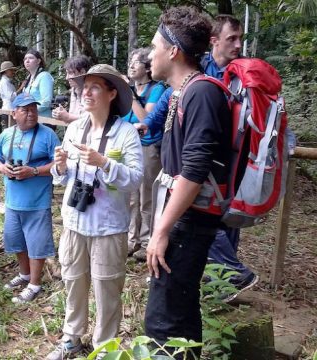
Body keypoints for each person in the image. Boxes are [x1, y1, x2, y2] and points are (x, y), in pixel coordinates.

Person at [144, 7, 232, 357]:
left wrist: (161, 231)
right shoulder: (184, 92)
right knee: (178, 309)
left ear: (173, 50)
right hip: (182, 218)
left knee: (164, 322)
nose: (150, 54)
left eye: (154, 46)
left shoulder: (201, 94)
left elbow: (195, 169)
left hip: (188, 222)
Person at [46, 64, 143, 360]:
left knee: (107, 289)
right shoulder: (75, 128)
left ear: (112, 94)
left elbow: (137, 177)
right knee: (73, 280)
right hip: (75, 220)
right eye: (83, 86)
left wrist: (104, 163)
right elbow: (60, 175)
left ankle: (105, 348)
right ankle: (72, 338)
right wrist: (59, 166)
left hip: (108, 225)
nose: (85, 92)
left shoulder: (126, 133)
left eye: (94, 87)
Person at [201, 15, 259, 301]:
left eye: (240, 39)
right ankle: (229, 274)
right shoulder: (199, 67)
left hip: (236, 157)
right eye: (231, 39)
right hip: (204, 154)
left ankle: (225, 282)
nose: (238, 45)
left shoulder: (245, 74)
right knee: (204, 214)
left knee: (229, 216)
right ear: (214, 40)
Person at [0, 93, 60, 304]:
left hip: (37, 202)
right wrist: (3, 168)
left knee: (37, 243)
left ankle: (35, 284)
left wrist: (34, 171)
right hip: (12, 200)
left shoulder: (48, 135)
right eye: (25, 109)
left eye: (34, 109)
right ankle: (24, 274)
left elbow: (59, 165)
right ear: (14, 113)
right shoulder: (6, 135)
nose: (31, 113)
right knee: (15, 241)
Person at [122, 48, 167, 261]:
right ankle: (132, 240)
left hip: (149, 147)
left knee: (147, 196)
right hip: (129, 146)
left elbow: (146, 118)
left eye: (136, 62)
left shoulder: (157, 89)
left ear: (147, 67)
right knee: (131, 196)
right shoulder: (130, 89)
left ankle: (148, 239)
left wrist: (130, 96)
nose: (131, 66)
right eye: (130, 62)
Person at [52, 55, 92, 123]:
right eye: (67, 73)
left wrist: (68, 117)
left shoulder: (93, 92)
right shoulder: (74, 90)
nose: (67, 78)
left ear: (82, 72)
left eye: (70, 73)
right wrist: (60, 114)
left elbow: (93, 120)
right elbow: (74, 115)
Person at [19, 49, 54, 118]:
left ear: (38, 61)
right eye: (25, 59)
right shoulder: (28, 77)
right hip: (29, 119)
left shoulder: (44, 76)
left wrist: (29, 110)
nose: (27, 61)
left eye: (31, 58)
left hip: (43, 119)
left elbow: (46, 102)